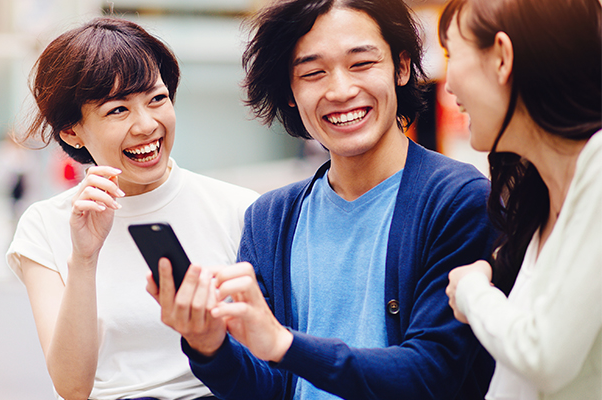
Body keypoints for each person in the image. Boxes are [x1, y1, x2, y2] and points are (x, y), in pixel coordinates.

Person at [148, 0, 497, 399]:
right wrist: (209, 345)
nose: (341, 90)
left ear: (401, 67)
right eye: (313, 73)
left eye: (361, 64)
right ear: (290, 91)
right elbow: (267, 387)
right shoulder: (271, 218)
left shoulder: (457, 199)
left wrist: (285, 345)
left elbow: (432, 374)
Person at [6, 17, 258, 400]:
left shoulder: (240, 209)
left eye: (157, 99)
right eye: (118, 110)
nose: (146, 125)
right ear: (72, 130)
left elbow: (268, 358)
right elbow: (71, 386)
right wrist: (84, 258)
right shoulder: (45, 225)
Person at [439, 0, 602, 398]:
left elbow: (544, 354)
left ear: (501, 57)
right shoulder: (541, 200)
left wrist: (472, 292)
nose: (448, 85)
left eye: (451, 54)